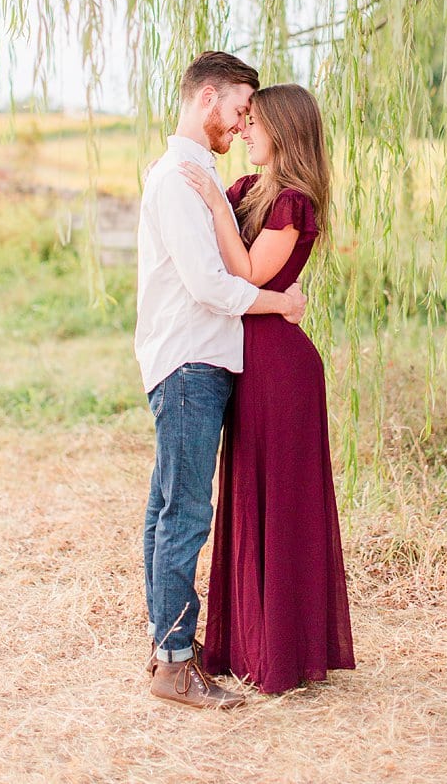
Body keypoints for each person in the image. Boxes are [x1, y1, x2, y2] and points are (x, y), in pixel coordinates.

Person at [135, 50, 308, 710]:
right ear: (207, 99)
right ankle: (176, 665)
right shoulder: (179, 179)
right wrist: (279, 303)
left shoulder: (194, 174)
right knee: (183, 512)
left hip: (190, 359)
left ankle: (166, 649)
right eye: (238, 110)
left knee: (166, 507)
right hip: (188, 361)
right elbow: (211, 283)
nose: (242, 125)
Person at [181, 82, 355, 694]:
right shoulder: (248, 192)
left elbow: (250, 272)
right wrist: (197, 185)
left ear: (281, 131)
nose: (245, 132)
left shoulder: (293, 203)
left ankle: (282, 650)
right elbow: (208, 240)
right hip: (246, 358)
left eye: (253, 123)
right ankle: (248, 640)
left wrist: (211, 197)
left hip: (280, 368)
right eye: (244, 120)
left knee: (278, 501)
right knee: (247, 493)